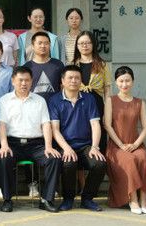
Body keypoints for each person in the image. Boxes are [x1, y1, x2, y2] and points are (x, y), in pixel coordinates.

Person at [0, 66, 62, 213]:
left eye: (27, 80)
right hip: (13, 143)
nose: (23, 83)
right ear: (13, 81)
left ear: (32, 81)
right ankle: (7, 200)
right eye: (20, 80)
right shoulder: (4, 100)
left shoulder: (40, 100)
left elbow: (46, 124)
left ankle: (46, 199)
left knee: (53, 158)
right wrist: (4, 145)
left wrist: (48, 146)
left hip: (36, 144)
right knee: (4, 158)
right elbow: (2, 125)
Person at [49, 65, 107, 212]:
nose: (74, 81)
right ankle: (68, 199)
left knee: (99, 164)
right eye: (70, 78)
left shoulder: (89, 99)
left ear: (81, 81)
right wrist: (66, 148)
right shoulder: (55, 100)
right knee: (68, 163)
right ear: (63, 81)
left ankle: (87, 199)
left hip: (85, 145)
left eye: (77, 78)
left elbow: (95, 124)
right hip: (64, 145)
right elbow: (55, 129)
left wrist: (95, 147)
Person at [104, 66, 146, 214]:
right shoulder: (110, 101)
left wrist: (135, 144)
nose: (124, 84)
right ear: (116, 82)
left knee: (143, 157)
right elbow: (107, 125)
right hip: (116, 146)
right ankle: (133, 200)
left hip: (135, 144)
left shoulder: (140, 102)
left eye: (127, 80)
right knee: (129, 160)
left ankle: (144, 200)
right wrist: (121, 145)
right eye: (121, 81)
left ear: (133, 81)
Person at [73, 31, 111, 151]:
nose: (85, 46)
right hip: (77, 104)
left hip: (97, 104)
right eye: (81, 43)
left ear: (93, 44)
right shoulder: (73, 65)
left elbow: (107, 90)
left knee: (99, 134)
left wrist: (107, 111)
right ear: (77, 46)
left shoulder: (102, 65)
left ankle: (99, 160)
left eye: (88, 43)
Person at [23, 31, 64, 100]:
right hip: (33, 104)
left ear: (50, 45)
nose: (43, 46)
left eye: (46, 43)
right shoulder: (26, 67)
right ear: (32, 46)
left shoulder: (58, 64)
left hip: (54, 105)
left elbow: (63, 86)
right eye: (40, 43)